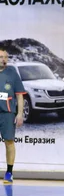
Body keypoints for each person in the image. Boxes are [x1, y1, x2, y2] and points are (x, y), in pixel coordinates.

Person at [0, 49, 25, 184]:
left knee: (9, 142)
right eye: (0, 57)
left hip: (7, 114)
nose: (3, 59)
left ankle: (9, 172)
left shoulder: (12, 73)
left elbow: (19, 95)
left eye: (5, 57)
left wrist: (20, 114)